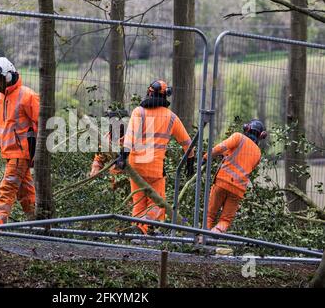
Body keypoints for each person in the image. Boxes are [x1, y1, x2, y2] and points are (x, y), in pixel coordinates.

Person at [116, 80, 195, 234]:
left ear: (149, 92)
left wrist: (122, 157)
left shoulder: (139, 112)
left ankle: (139, 230)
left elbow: (129, 137)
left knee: (138, 202)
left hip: (136, 166)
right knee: (157, 206)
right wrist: (190, 162)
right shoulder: (171, 117)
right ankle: (144, 227)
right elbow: (187, 143)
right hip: (155, 169)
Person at [0, 57, 39, 224]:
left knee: (7, 187)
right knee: (25, 191)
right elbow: (0, 121)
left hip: (21, 152)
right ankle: (36, 221)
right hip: (8, 151)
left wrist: (38, 152)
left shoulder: (28, 96)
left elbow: (41, 123)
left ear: (7, 76)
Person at [203, 119, 266, 233]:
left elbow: (221, 148)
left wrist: (206, 157)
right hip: (238, 190)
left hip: (222, 182)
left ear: (246, 128)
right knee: (225, 220)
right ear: (261, 136)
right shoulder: (258, 153)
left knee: (209, 215)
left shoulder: (238, 137)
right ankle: (214, 235)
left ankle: (204, 239)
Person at [89, 109, 129, 189]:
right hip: (115, 180)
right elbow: (99, 158)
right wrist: (95, 170)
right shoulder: (107, 139)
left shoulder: (131, 137)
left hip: (132, 178)